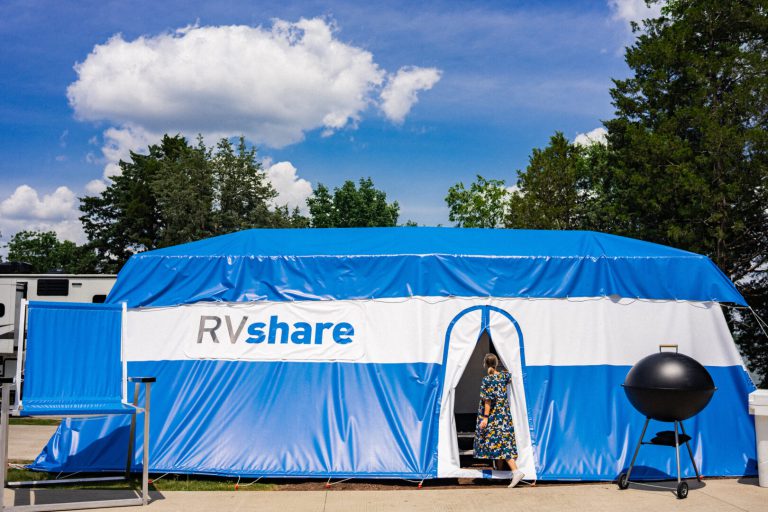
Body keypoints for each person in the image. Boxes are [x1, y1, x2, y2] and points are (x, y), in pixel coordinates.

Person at [473, 353, 525, 488]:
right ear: (496, 364)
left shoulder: (487, 380)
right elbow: (510, 373)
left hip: (494, 416)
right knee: (499, 442)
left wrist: (485, 418)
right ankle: (500, 474)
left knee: (501, 444)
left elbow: (487, 401)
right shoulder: (503, 376)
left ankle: (516, 471)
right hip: (505, 415)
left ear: (485, 364)